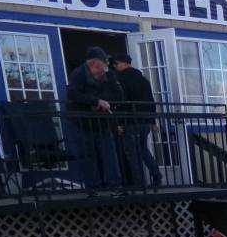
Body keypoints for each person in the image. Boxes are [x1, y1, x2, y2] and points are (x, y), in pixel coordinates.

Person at [66, 47, 124, 191]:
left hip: (102, 123)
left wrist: (105, 102)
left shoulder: (108, 76)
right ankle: (93, 188)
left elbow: (119, 95)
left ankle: (115, 186)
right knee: (87, 156)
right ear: (93, 63)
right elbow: (73, 94)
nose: (107, 65)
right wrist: (95, 101)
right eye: (104, 62)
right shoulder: (79, 74)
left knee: (110, 154)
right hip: (82, 123)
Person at [111, 53, 161, 188]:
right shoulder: (143, 80)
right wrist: (152, 121)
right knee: (143, 149)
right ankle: (156, 173)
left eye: (116, 64)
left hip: (130, 121)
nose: (115, 67)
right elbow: (151, 101)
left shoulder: (121, 79)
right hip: (144, 121)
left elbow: (121, 102)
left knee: (132, 153)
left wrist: (119, 122)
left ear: (123, 63)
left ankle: (138, 184)